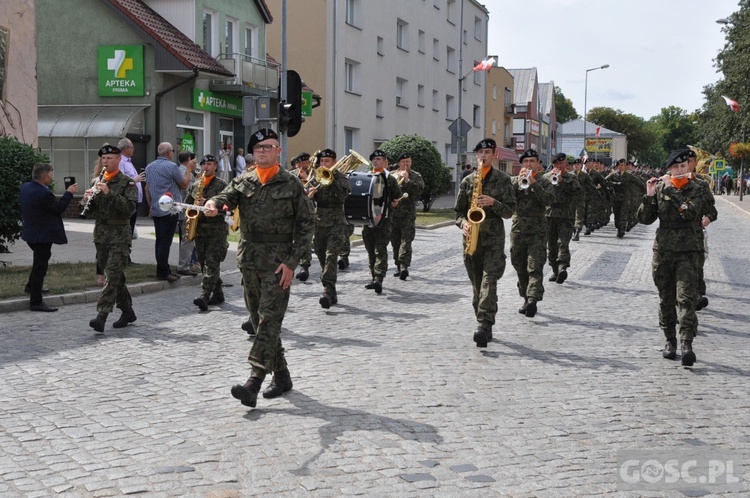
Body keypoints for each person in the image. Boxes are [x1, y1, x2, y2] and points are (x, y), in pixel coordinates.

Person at [204, 128, 314, 408]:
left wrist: (292, 262)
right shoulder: (245, 179)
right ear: (253, 153)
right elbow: (226, 197)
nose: (262, 151)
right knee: (258, 320)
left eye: (268, 146)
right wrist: (213, 203)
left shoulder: (290, 184)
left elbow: (306, 227)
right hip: (249, 259)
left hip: (278, 263)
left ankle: (253, 381)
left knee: (268, 319)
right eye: (258, 148)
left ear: (279, 151)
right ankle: (283, 376)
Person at [638, 149, 717, 366]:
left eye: (683, 166)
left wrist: (671, 190)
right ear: (669, 169)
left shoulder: (698, 188)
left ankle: (687, 343)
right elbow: (644, 219)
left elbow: (690, 212)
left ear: (688, 167)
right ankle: (670, 340)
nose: (680, 170)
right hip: (664, 252)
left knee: (686, 298)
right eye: (676, 167)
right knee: (666, 299)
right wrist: (649, 195)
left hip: (690, 251)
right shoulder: (661, 186)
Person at [454, 138, 516, 347]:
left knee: (489, 283)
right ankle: (484, 323)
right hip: (472, 240)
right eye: (480, 153)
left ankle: (483, 325)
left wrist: (493, 202)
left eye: (487, 152)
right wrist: (462, 223)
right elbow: (458, 213)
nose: (483, 156)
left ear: (494, 154)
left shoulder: (504, 180)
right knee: (477, 288)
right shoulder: (468, 181)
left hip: (493, 240)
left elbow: (509, 211)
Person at [83, 144, 139, 332]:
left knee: (112, 275)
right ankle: (127, 311)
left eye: (110, 159)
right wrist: (87, 199)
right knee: (115, 277)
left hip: (119, 235)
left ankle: (101, 316)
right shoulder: (96, 181)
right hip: (101, 235)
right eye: (104, 159)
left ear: (118, 159)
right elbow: (91, 211)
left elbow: (129, 209)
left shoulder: (127, 182)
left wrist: (110, 193)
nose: (106, 162)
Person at [20, 163, 78, 312]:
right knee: (40, 266)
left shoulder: (26, 187)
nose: (52, 178)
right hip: (42, 235)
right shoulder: (44, 193)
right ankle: (36, 302)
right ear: (45, 177)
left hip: (31, 233)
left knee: (40, 260)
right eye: (51, 175)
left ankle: (31, 287)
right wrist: (69, 193)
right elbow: (58, 209)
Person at [510, 150, 552, 318]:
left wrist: (534, 183)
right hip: (518, 228)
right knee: (519, 265)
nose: (528, 164)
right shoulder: (514, 181)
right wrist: (517, 183)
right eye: (526, 161)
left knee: (534, 266)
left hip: (537, 230)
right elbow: (507, 198)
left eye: (532, 161)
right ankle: (526, 297)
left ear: (538, 164)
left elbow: (549, 200)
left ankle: (533, 299)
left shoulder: (545, 181)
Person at [306, 149, 351, 308]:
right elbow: (304, 201)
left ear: (334, 162)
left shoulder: (341, 178)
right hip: (319, 223)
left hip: (336, 223)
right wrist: (309, 197)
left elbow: (343, 196)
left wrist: (331, 182)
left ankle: (326, 289)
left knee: (331, 256)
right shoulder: (316, 177)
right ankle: (332, 291)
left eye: (327, 161)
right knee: (321, 256)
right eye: (322, 161)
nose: (324, 164)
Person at [144, 142, 194, 282]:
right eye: (172, 151)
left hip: (156, 208)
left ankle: (162, 268)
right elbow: (184, 185)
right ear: (169, 153)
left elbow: (147, 188)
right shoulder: (172, 167)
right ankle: (163, 272)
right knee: (165, 241)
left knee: (159, 241)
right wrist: (189, 170)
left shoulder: (149, 167)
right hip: (170, 209)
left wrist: (150, 207)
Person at [185, 154, 229, 310]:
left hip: (216, 231)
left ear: (215, 166)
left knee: (211, 263)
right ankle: (218, 294)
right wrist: (194, 206)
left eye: (209, 164)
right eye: (204, 164)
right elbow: (187, 207)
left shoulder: (223, 186)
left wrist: (210, 206)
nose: (206, 167)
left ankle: (204, 295)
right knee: (205, 264)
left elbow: (228, 209)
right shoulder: (195, 186)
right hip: (200, 231)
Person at [362, 149, 402, 294]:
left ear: (385, 162)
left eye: (379, 159)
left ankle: (379, 277)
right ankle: (374, 276)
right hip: (369, 220)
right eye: (374, 159)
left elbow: (397, 198)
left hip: (384, 220)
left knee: (380, 249)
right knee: (370, 249)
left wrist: (395, 204)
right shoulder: (368, 176)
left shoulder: (390, 179)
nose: (376, 161)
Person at [685, 148, 718, 311]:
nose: (686, 166)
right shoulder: (667, 183)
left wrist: (708, 218)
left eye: (691, 162)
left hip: (695, 236)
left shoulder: (701, 184)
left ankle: (695, 298)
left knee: (696, 269)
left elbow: (712, 210)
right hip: (672, 240)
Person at [545, 153, 582, 284]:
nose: (559, 166)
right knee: (551, 244)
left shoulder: (571, 177)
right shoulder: (546, 177)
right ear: (553, 164)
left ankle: (562, 268)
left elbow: (578, 193)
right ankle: (555, 270)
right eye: (557, 164)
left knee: (563, 242)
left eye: (562, 163)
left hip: (566, 214)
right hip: (549, 214)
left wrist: (563, 182)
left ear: (566, 163)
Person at [390, 152, 425, 280]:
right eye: (403, 162)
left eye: (408, 162)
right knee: (395, 241)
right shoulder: (392, 175)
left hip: (408, 214)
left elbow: (419, 191)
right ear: (399, 163)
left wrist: (407, 181)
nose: (406, 164)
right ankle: (398, 265)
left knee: (406, 240)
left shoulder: (416, 176)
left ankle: (404, 266)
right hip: (394, 214)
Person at [117, 137, 146, 259]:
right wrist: (136, 179)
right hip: (127, 201)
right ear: (125, 148)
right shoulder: (121, 162)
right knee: (126, 229)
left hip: (134, 200)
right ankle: (124, 256)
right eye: (132, 147)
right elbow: (120, 182)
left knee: (130, 228)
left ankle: (127, 255)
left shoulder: (128, 161)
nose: (134, 149)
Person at [175, 151, 199, 277]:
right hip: (187, 210)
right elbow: (188, 191)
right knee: (187, 238)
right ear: (189, 160)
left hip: (184, 210)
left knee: (187, 238)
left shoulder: (182, 170)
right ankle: (183, 266)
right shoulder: (185, 172)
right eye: (195, 161)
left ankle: (187, 263)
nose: (196, 164)